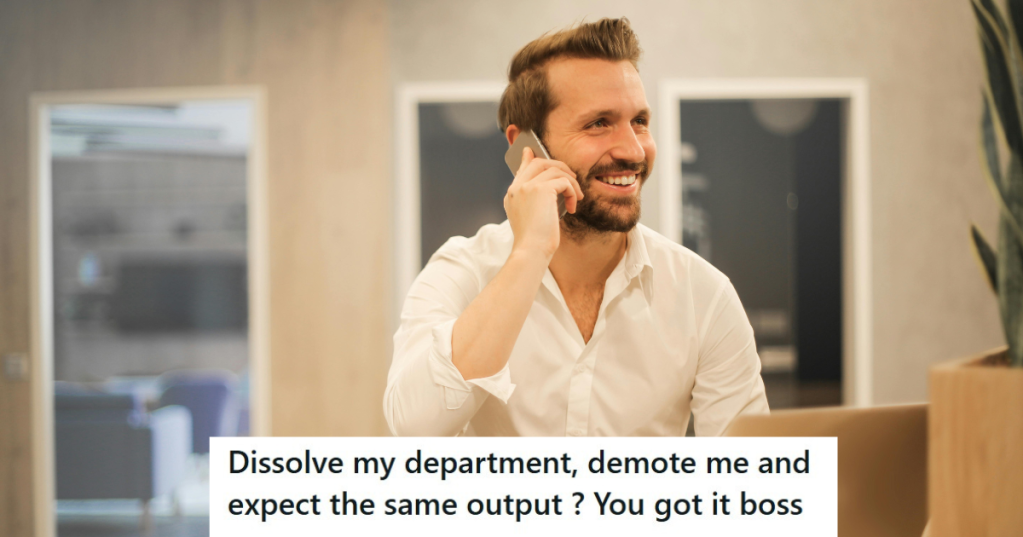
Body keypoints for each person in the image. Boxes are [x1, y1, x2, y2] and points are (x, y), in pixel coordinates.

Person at [385, 18, 768, 437]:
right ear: (526, 147)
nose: (633, 150)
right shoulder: (461, 271)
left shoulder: (703, 296)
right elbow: (415, 428)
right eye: (599, 123)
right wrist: (529, 253)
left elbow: (751, 468)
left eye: (639, 121)